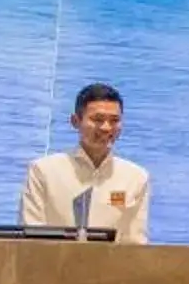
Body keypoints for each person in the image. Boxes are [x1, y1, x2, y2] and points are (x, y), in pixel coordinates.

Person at [21, 84, 152, 244]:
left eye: (114, 120)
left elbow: (135, 242)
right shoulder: (44, 171)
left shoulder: (135, 177)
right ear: (75, 121)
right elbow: (30, 238)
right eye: (98, 119)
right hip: (54, 266)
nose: (106, 127)